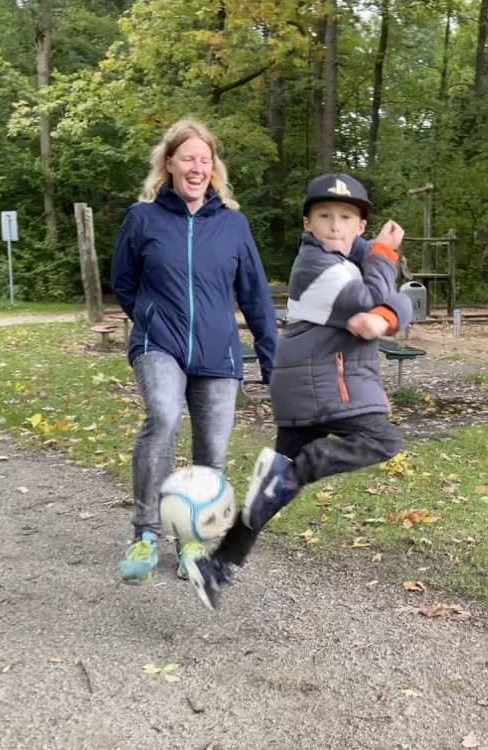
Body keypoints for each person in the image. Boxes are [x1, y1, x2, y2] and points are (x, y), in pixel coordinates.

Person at [183, 172, 412, 609]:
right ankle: (303, 466)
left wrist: (387, 312)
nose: (335, 226)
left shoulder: (350, 261)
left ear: (360, 225)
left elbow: (394, 300)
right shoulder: (316, 266)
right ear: (307, 224)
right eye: (324, 216)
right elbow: (373, 298)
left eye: (346, 217)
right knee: (382, 440)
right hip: (322, 385)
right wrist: (385, 258)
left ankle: (217, 567)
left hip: (308, 383)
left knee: (274, 486)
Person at [111, 118, 277, 585]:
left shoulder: (232, 224)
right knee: (162, 417)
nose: (197, 166)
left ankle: (190, 541)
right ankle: (145, 534)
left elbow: (256, 296)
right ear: (169, 163)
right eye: (188, 158)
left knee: (212, 452)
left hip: (218, 355)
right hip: (158, 344)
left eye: (205, 159)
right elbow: (123, 280)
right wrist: (148, 317)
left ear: (213, 168)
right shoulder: (142, 218)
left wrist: (271, 362)